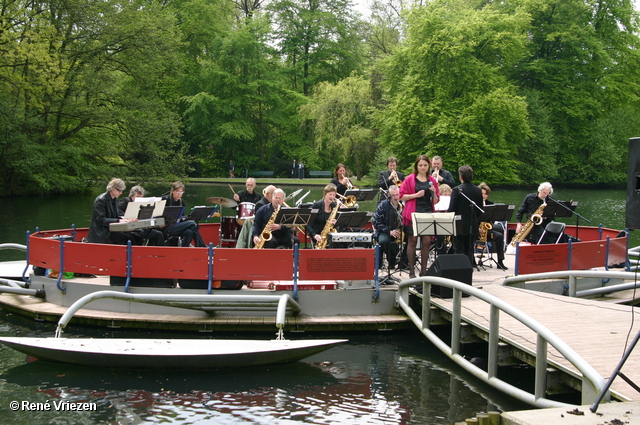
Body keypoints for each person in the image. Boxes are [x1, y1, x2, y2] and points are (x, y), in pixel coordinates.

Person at [399, 155, 439, 278]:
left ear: (429, 166)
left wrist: (433, 192)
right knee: (412, 241)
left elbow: (436, 201)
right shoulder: (410, 179)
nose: (422, 167)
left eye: (425, 165)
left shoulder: (432, 180)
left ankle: (423, 271)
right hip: (413, 213)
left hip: (427, 212)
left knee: (426, 242)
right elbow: (401, 196)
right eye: (420, 165)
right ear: (417, 166)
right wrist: (415, 195)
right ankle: (411, 271)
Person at [87, 178, 142, 245]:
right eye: (119, 190)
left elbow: (116, 215)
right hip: (103, 232)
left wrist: (126, 219)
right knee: (128, 239)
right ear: (112, 188)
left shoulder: (114, 199)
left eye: (122, 190)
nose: (121, 193)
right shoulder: (101, 200)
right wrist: (119, 221)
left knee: (138, 235)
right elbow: (101, 220)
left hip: (111, 229)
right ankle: (127, 254)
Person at [447, 165, 483, 266]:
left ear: (461, 176)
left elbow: (452, 209)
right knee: (469, 249)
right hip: (472, 223)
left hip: (459, 224)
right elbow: (480, 208)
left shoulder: (457, 190)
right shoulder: (478, 190)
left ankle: (459, 268)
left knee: (458, 248)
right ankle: (468, 268)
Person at [162, 181, 206, 247]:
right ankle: (201, 246)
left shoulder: (182, 202)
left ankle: (184, 249)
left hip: (177, 226)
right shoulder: (166, 200)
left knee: (190, 232)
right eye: (177, 192)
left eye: (181, 192)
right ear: (173, 191)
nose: (179, 194)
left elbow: (181, 218)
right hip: (166, 227)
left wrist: (188, 218)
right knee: (192, 224)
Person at [373, 185, 403, 271]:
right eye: (394, 195)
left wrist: (398, 230)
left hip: (398, 230)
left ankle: (403, 263)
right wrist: (389, 231)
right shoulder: (383, 205)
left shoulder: (402, 205)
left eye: (398, 194)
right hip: (384, 231)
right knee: (383, 241)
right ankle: (392, 261)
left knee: (411, 239)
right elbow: (375, 222)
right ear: (389, 194)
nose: (396, 197)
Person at [478, 182, 507, 270]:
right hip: (477, 230)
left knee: (499, 236)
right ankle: (472, 262)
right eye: (482, 193)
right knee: (469, 236)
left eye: (485, 194)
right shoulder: (474, 204)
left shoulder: (491, 204)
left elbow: (493, 220)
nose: (483, 196)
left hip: (487, 230)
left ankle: (500, 261)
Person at [434, 184, 453, 255]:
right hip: (439, 223)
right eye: (445, 194)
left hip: (449, 222)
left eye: (449, 194)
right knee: (440, 237)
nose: (447, 196)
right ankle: (442, 253)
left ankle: (451, 253)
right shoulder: (437, 202)